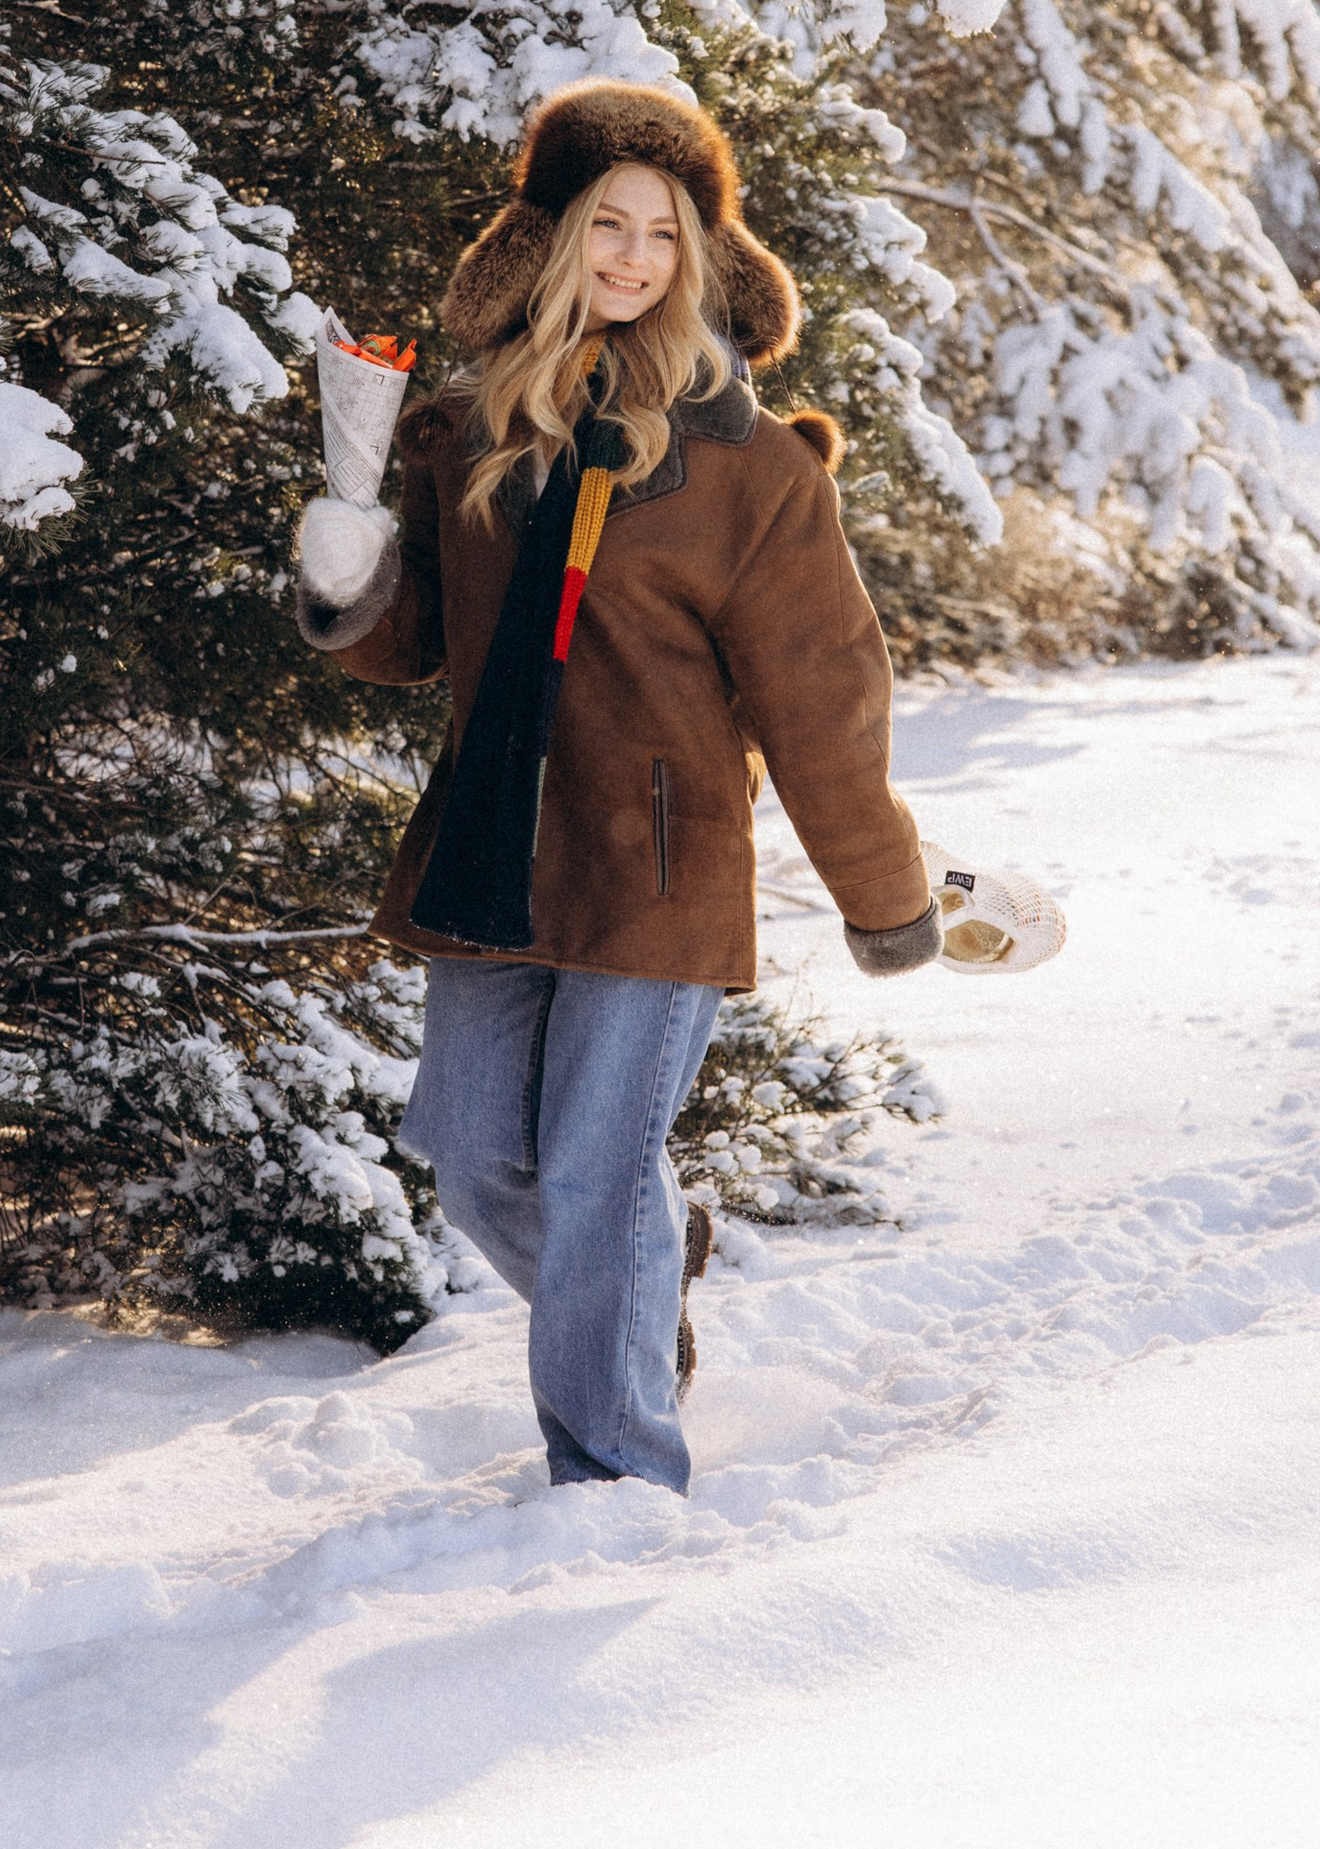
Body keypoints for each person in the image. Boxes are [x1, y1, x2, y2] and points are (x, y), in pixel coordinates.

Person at [294, 79, 939, 1495]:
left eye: (665, 231)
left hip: (657, 867)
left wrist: (881, 894)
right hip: (493, 848)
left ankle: (618, 1481)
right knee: (474, 1157)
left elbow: (823, 700)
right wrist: (352, 574)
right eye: (609, 225)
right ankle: (643, 1275)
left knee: (594, 1173)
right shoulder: (471, 430)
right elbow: (424, 646)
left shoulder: (750, 470)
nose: (636, 257)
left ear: (701, 259)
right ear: (553, 239)